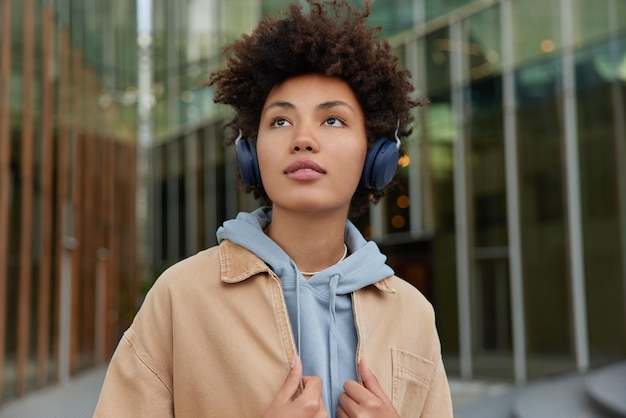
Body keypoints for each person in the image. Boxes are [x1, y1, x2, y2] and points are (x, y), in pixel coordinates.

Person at [93, 1, 453, 417]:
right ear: (251, 154)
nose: (302, 139)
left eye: (332, 120)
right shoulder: (181, 297)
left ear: (376, 155)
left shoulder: (412, 314)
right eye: (280, 122)